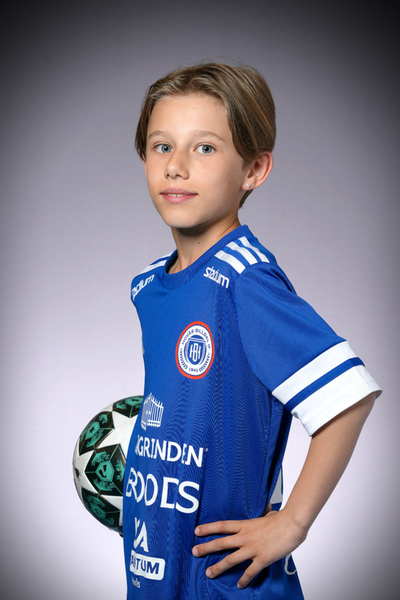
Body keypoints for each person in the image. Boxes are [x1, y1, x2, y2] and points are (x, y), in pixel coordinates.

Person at [122, 62, 381, 599]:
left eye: (205, 148)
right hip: (160, 562)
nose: (177, 167)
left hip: (228, 583)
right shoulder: (148, 285)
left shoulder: (244, 280)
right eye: (162, 146)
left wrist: (291, 523)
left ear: (254, 170)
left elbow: (348, 396)